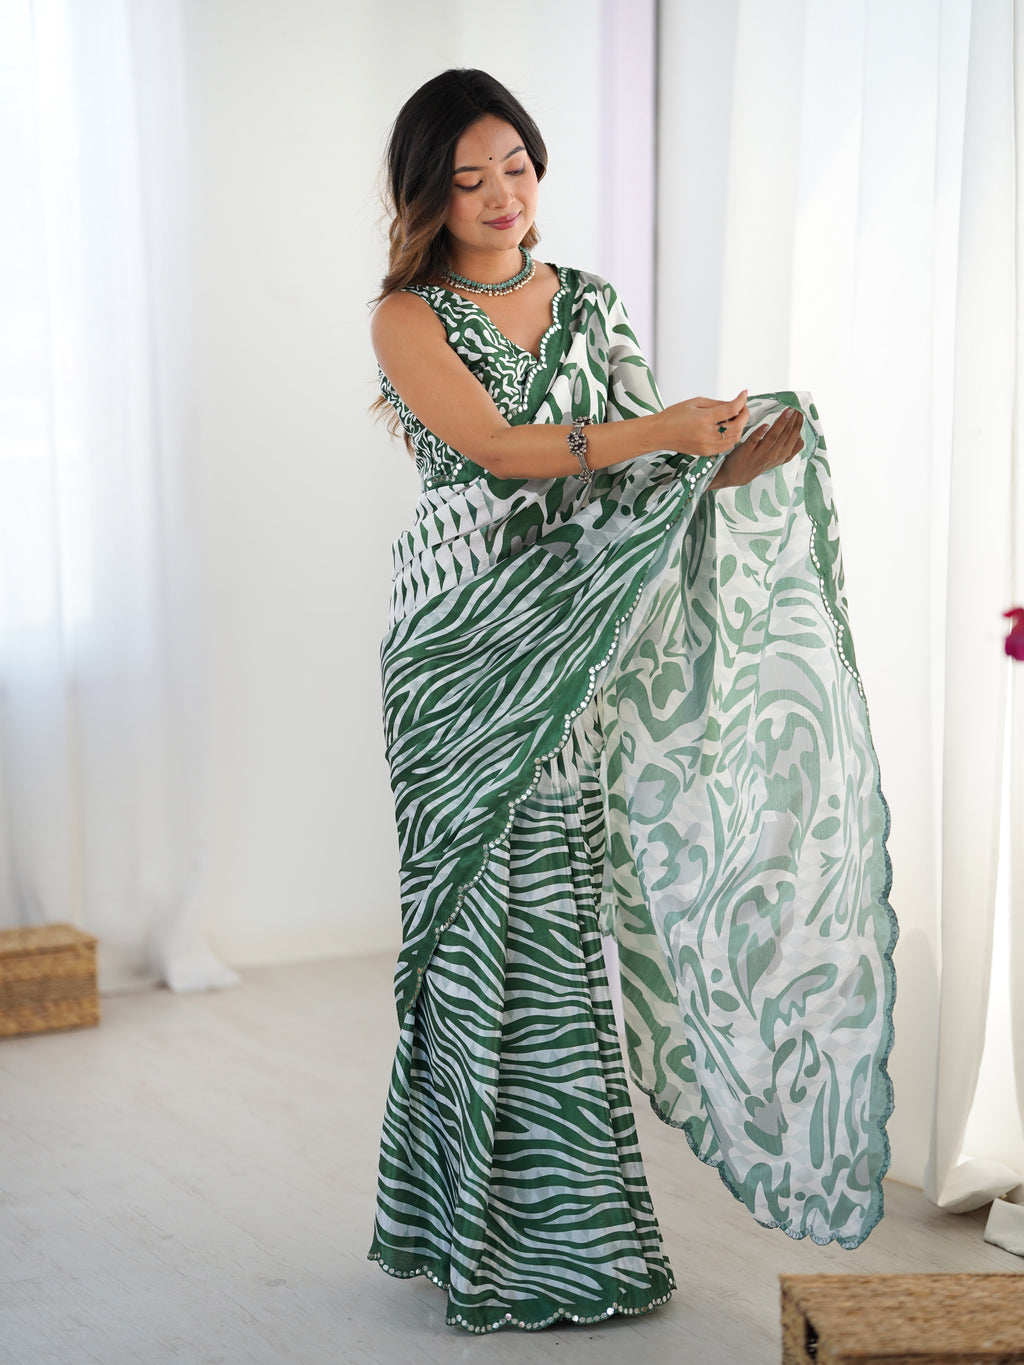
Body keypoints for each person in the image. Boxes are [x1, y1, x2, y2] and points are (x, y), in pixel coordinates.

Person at [367, 69, 895, 1336]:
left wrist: (720, 463)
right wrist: (662, 430)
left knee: (550, 930)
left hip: (571, 648)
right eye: (470, 176)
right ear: (427, 192)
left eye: (518, 167)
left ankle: (571, 1242)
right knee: (473, 940)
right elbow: (498, 450)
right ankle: (475, 1241)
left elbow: (631, 489)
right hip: (459, 655)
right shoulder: (406, 316)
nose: (502, 196)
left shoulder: (590, 304)